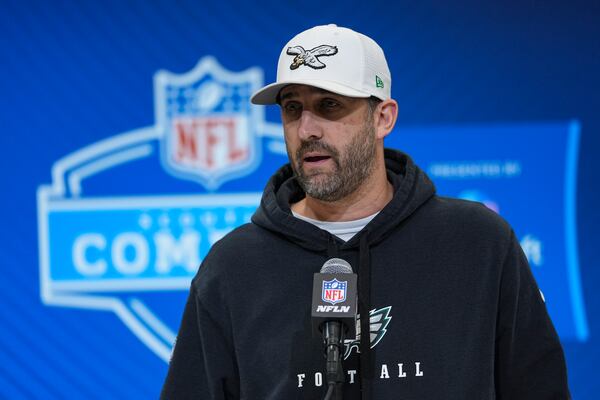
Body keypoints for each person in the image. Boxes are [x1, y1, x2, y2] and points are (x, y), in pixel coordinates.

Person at [161, 24, 570, 399]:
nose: (307, 130)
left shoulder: (478, 242)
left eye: (329, 105)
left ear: (383, 117)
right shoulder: (233, 266)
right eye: (291, 108)